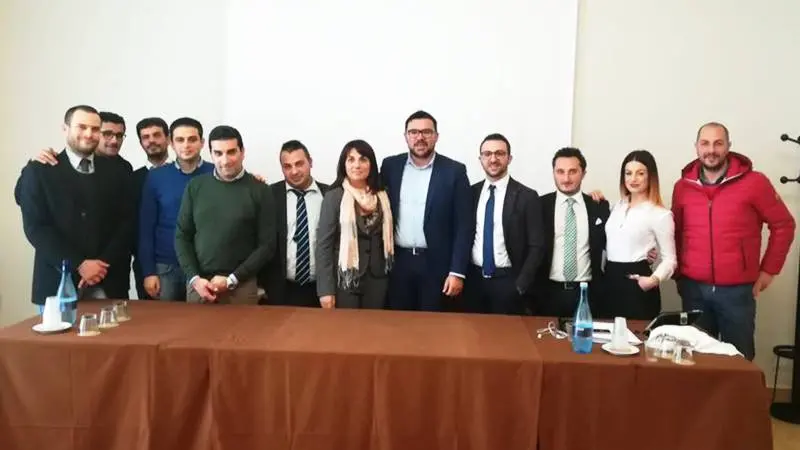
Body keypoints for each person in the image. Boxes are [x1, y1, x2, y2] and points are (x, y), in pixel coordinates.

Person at [672, 122, 795, 360]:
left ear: (728, 146)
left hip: (737, 292)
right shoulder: (682, 187)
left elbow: (784, 225)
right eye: (705, 143)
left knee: (739, 361)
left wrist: (768, 271)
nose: (711, 150)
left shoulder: (755, 182)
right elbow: (676, 232)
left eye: (718, 143)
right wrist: (678, 273)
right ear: (696, 147)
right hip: (693, 289)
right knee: (695, 361)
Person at [17, 105, 134, 312]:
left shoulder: (117, 171)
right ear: (65, 129)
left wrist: (100, 265)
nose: (89, 134)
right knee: (59, 335)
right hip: (57, 282)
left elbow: (126, 222)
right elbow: (36, 227)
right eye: (82, 127)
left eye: (95, 129)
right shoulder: (39, 170)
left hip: (108, 281)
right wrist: (79, 264)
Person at [380, 110, 472, 311]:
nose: (420, 137)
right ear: (406, 136)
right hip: (398, 263)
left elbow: (464, 226)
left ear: (436, 136)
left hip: (437, 265)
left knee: (433, 325)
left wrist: (457, 271)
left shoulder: (454, 171)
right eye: (413, 132)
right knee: (397, 324)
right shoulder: (390, 166)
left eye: (426, 132)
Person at [175, 125, 276, 304]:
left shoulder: (260, 190)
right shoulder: (195, 186)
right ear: (211, 154)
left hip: (242, 286)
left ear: (242, 152)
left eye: (231, 152)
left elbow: (267, 245)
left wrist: (232, 279)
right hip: (200, 286)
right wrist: (194, 278)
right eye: (218, 153)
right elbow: (182, 236)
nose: (225, 160)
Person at [465, 133, 544, 315]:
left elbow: (537, 246)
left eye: (499, 153)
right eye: (487, 154)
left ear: (509, 158)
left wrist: (520, 285)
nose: (493, 159)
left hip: (508, 283)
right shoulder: (470, 193)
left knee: (506, 333)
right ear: (480, 159)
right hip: (474, 283)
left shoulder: (527, 196)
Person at [138, 117, 214, 301]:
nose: (186, 145)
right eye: (180, 140)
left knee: (201, 318)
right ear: (171, 143)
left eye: (192, 139)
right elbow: (146, 227)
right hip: (165, 266)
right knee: (166, 318)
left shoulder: (215, 173)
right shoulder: (156, 177)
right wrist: (149, 272)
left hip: (204, 266)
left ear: (202, 142)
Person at [316, 140, 394, 309]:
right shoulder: (334, 196)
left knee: (375, 324)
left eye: (363, 159)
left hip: (377, 278)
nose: (357, 165)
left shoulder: (383, 195)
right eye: (351, 159)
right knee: (347, 325)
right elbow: (324, 246)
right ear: (343, 165)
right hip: (345, 279)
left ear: (371, 164)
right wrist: (325, 290)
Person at [535, 147, 610, 318]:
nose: (566, 178)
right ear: (553, 173)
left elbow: (614, 240)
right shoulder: (539, 205)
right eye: (560, 172)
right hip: (548, 293)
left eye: (572, 171)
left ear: (583, 173)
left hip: (588, 293)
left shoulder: (598, 206)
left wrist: (645, 252)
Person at [603, 150, 676, 320]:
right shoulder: (616, 207)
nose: (633, 179)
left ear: (651, 176)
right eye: (628, 173)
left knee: (637, 333)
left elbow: (670, 259)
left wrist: (653, 280)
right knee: (605, 332)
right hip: (609, 282)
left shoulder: (660, 214)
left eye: (640, 173)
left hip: (637, 283)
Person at [260, 140, 330, 307]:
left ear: (310, 162)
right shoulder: (269, 195)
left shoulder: (329, 194)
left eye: (299, 164)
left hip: (321, 290)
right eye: (287, 166)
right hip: (281, 290)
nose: (294, 171)